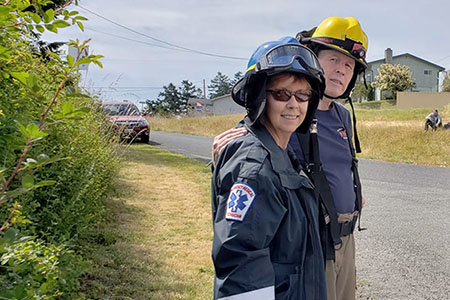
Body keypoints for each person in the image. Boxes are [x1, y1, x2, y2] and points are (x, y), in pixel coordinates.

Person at [212, 16, 368, 300]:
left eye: (349, 65)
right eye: (334, 60)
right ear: (314, 56)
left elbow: (342, 167)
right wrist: (231, 147)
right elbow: (254, 142)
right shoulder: (280, 124)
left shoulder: (342, 116)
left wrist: (356, 195)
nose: (341, 71)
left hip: (343, 236)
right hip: (309, 242)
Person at [211, 37, 327, 300]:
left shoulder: (282, 154)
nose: (293, 104)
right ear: (259, 96)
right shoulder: (253, 166)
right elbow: (242, 266)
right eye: (281, 94)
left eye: (302, 95)